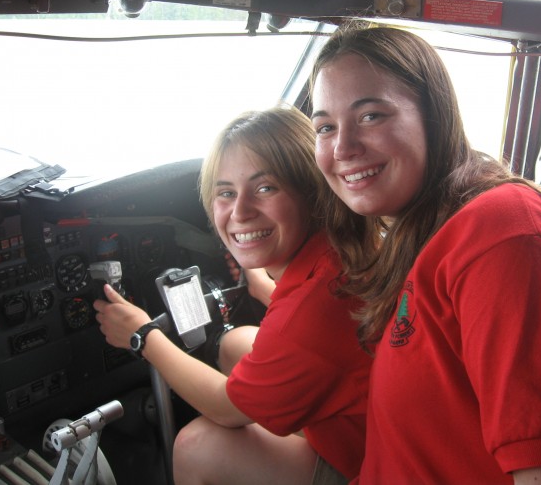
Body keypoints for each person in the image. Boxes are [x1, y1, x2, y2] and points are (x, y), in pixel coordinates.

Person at [309, 24, 541, 484]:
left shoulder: (509, 238)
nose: (343, 147)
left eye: (371, 116)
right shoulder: (425, 232)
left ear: (434, 117)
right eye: (325, 127)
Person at [94, 105, 372, 485]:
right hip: (364, 426)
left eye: (265, 188)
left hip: (367, 466)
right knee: (235, 343)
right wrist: (267, 288)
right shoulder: (334, 254)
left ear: (312, 192)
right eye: (226, 192)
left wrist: (143, 336)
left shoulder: (312, 309)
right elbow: (320, 341)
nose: (240, 212)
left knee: (196, 447)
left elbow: (227, 410)